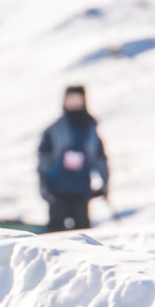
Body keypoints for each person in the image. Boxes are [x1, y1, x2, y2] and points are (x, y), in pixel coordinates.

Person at [37, 85, 111, 233]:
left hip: (81, 189)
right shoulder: (54, 129)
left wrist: (104, 183)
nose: (73, 103)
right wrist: (44, 185)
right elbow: (44, 158)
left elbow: (99, 159)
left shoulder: (90, 129)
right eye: (70, 100)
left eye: (77, 100)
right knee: (55, 231)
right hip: (57, 189)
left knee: (82, 231)